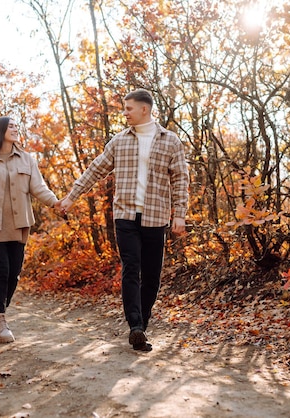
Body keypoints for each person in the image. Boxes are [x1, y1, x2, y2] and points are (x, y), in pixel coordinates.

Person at [59, 88, 189, 352]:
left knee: (152, 276)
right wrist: (72, 197)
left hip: (156, 215)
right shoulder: (119, 141)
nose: (125, 113)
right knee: (132, 267)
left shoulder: (170, 140)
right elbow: (96, 169)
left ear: (145, 109)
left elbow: (180, 178)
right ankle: (135, 326)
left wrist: (181, 214)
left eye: (129, 108)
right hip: (126, 215)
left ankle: (143, 323)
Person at [0, 116, 59, 343]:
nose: (15, 129)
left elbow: (38, 187)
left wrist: (56, 202)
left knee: (14, 273)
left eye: (16, 126)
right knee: (1, 271)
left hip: (19, 225)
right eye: (10, 126)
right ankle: (0, 319)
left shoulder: (27, 159)